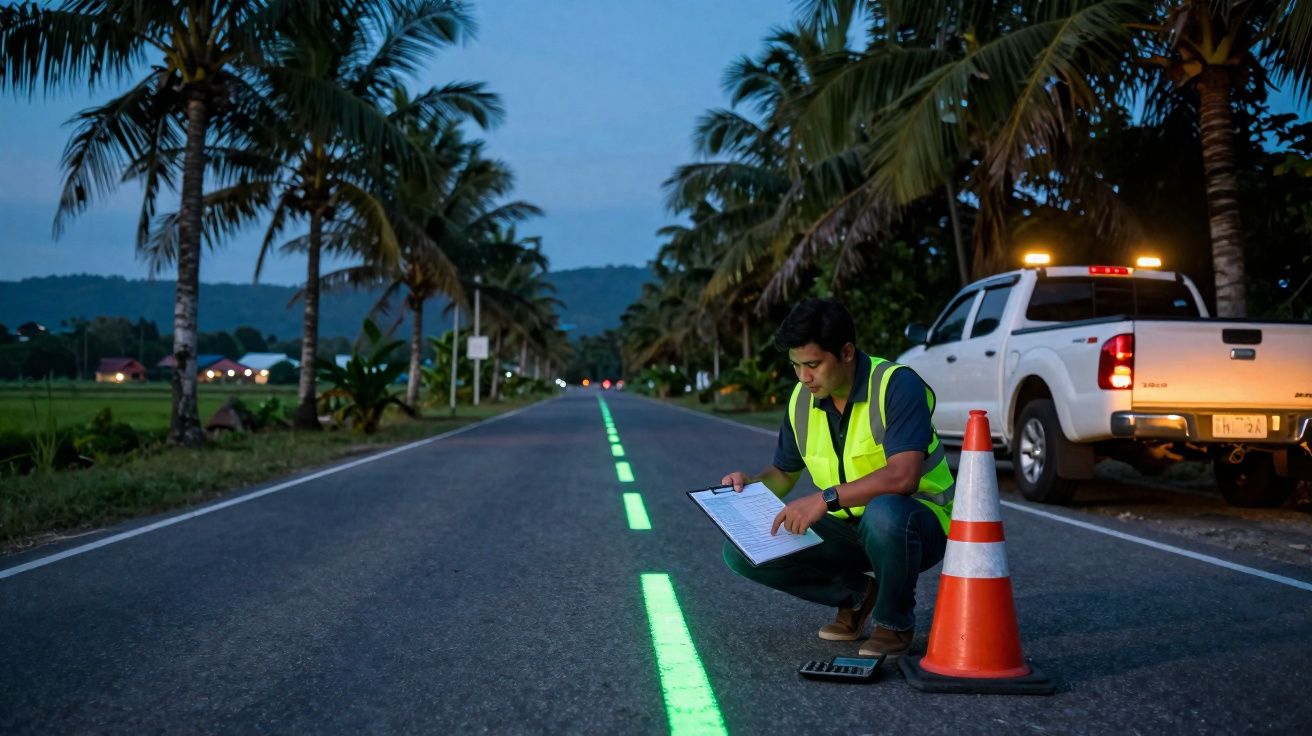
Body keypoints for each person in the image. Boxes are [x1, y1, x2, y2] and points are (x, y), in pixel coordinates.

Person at [719, 298, 955, 661]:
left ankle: (894, 624)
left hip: (915, 524)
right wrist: (749, 483)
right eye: (796, 366)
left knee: (885, 514)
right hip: (849, 527)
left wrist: (823, 499)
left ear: (846, 352)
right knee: (743, 550)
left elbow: (904, 476)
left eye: (813, 365)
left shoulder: (895, 385)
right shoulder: (801, 399)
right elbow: (783, 474)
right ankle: (858, 596)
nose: (803, 377)